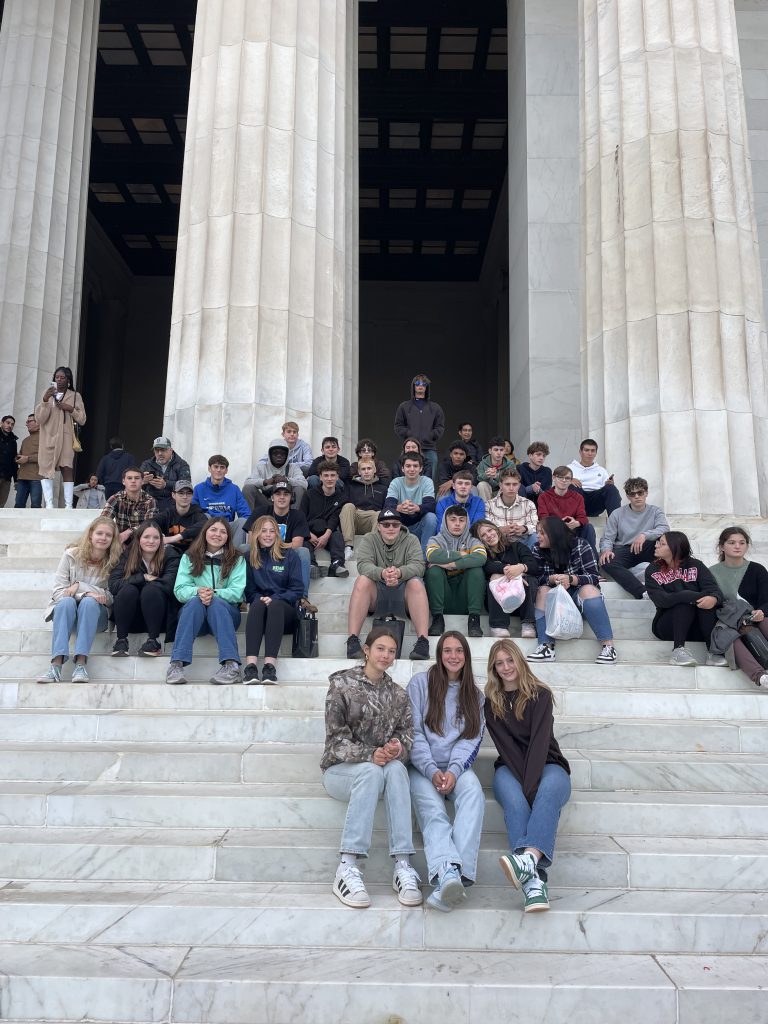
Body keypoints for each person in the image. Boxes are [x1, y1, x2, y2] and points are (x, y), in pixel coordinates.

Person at [321, 626, 422, 909]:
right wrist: (370, 755)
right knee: (370, 770)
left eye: (391, 651)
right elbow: (336, 740)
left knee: (398, 770)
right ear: (366, 650)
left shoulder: (397, 694)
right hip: (340, 772)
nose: (386, 655)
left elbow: (406, 734)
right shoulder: (342, 685)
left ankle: (403, 865)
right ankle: (347, 866)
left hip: (380, 770)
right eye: (380, 648)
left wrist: (396, 748)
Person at [484, 639, 571, 912]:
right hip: (508, 767)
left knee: (548, 792)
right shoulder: (491, 704)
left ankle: (527, 860)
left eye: (510, 660)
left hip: (549, 764)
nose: (506, 667)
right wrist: (524, 786)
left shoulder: (540, 695)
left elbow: (539, 743)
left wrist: (532, 785)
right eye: (500, 663)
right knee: (516, 801)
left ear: (519, 661)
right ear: (494, 669)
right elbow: (507, 748)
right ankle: (535, 882)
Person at [407, 631, 485, 912]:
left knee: (474, 793)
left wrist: (453, 771)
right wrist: (430, 770)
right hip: (421, 767)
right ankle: (448, 873)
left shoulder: (475, 696)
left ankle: (454, 877)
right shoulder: (419, 684)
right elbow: (413, 732)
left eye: (459, 651)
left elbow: (470, 739)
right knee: (433, 809)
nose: (453, 656)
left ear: (466, 656)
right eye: (447, 650)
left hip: (457, 767)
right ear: (439, 655)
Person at [37, 516, 122, 683]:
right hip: (67, 614)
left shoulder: (115, 561)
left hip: (96, 618)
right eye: (99, 533)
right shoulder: (71, 555)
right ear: (90, 534)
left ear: (113, 539)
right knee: (67, 601)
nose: (103, 538)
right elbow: (58, 592)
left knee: (90, 603)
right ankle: (56, 665)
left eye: (108, 535)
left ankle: (81, 664)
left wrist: (80, 586)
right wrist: (84, 593)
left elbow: (110, 597)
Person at [166, 517, 247, 685]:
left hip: (227, 615)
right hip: (197, 617)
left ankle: (231, 666)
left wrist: (213, 593)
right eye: (213, 530)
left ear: (228, 537)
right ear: (205, 533)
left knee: (216, 603)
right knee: (195, 602)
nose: (217, 534)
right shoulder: (189, 557)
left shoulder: (237, 558)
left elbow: (237, 592)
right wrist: (198, 592)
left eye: (223, 531)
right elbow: (180, 589)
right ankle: (176, 664)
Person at [529, 516, 618, 664]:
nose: (538, 536)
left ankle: (609, 647)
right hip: (554, 603)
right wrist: (551, 579)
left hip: (579, 600)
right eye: (538, 532)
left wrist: (571, 579)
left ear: (554, 533)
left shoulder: (580, 545)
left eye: (542, 533)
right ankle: (545, 646)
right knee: (542, 589)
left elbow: (594, 576)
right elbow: (534, 577)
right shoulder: (537, 549)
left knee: (589, 589)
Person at [346, 509, 430, 661]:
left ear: (400, 526)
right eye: (386, 525)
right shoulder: (369, 539)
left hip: (404, 594)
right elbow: (363, 565)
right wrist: (382, 573)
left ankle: (423, 642)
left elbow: (419, 566)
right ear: (378, 526)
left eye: (395, 524)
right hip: (377, 593)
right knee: (362, 580)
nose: (391, 528)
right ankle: (352, 641)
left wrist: (399, 572)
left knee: (416, 584)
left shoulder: (411, 539)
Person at [646, 531, 723, 667]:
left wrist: (714, 599)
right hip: (667, 626)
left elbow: (714, 591)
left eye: (661, 543)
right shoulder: (653, 569)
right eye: (658, 542)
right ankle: (678, 650)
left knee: (707, 603)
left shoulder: (696, 565)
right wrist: (687, 596)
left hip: (697, 627)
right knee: (684, 604)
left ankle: (713, 652)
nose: (656, 545)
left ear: (675, 547)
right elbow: (661, 600)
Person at [243, 516, 304, 684]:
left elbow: (297, 590)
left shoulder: (289, 556)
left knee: (275, 605)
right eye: (263, 531)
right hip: (260, 611)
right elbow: (249, 591)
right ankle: (251, 667)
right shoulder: (249, 557)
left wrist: (275, 598)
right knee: (256, 605)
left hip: (285, 612)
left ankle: (269, 667)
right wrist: (261, 599)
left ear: (277, 534)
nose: (268, 535)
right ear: (256, 534)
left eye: (272, 531)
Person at [243, 479, 317, 613]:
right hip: (262, 552)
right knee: (244, 549)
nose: (282, 497)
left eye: (286, 494)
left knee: (303, 551)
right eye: (278, 494)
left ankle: (303, 598)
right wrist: (268, 546)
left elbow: (297, 544)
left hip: (286, 556)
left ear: (291, 497)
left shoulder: (297, 515)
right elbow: (251, 539)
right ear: (272, 497)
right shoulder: (261, 511)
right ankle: (243, 599)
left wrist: (275, 546)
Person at [109, 520, 181, 657]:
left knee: (151, 590)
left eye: (156, 537)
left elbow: (171, 585)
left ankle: (153, 641)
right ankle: (121, 641)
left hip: (160, 616)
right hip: (131, 615)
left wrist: (146, 583)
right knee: (128, 590)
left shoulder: (171, 554)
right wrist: (143, 578)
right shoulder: (128, 554)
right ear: (139, 539)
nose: (151, 541)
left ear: (161, 540)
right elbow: (113, 585)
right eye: (146, 537)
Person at [708, 527, 768, 686]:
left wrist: (762, 611)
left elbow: (766, 599)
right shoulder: (712, 573)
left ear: (747, 546)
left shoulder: (757, 570)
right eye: (732, 542)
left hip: (756, 617)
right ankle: (761, 677)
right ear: (722, 546)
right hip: (729, 621)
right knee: (729, 637)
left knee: (765, 622)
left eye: (742, 543)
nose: (737, 546)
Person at [599, 477, 669, 598]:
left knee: (667, 543)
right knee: (606, 561)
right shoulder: (617, 513)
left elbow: (664, 528)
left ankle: (671, 581)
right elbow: (607, 537)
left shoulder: (656, 511)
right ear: (628, 496)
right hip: (624, 550)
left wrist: (644, 535)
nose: (637, 496)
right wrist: (606, 550)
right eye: (632, 494)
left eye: (640, 492)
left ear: (646, 493)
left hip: (647, 547)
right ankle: (642, 592)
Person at [425, 505, 487, 638]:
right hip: (443, 596)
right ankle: (437, 619)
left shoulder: (473, 540)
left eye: (461, 520)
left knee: (476, 570)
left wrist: (450, 564)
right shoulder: (436, 539)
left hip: (464, 597)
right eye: (452, 519)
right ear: (445, 521)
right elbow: (432, 555)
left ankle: (474, 620)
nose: (457, 524)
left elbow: (481, 556)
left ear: (467, 522)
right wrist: (462, 554)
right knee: (433, 570)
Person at [471, 519, 538, 638]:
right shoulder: (482, 553)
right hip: (498, 604)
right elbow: (487, 567)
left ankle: (528, 623)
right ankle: (499, 625)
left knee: (529, 579)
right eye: (483, 535)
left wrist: (521, 568)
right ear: (480, 540)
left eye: (490, 530)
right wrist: (508, 572)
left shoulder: (516, 546)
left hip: (521, 600)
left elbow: (534, 566)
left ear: (496, 529)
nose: (489, 536)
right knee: (494, 579)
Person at [34, 366, 86, 509]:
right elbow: (40, 419)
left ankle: (68, 505)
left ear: (68, 380)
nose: (59, 380)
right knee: (45, 469)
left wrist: (69, 408)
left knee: (67, 468)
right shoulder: (47, 394)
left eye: (62, 377)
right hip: (48, 438)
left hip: (66, 438)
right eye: (57, 377)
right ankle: (49, 505)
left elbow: (82, 419)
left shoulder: (75, 395)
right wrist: (45, 400)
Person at [383, 452, 437, 556]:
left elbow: (431, 505)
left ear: (421, 468)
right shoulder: (396, 482)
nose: (412, 469)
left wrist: (417, 507)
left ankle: (423, 558)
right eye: (408, 466)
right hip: (400, 526)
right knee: (385, 517)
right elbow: (387, 505)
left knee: (431, 517)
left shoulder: (427, 481)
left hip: (419, 525)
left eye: (415, 466)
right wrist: (400, 507)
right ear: (402, 468)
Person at [394, 373, 445, 482]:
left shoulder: (435, 408)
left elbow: (440, 427)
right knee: (406, 478)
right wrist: (409, 435)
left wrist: (430, 436)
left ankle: (427, 499)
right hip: (410, 449)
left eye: (423, 383)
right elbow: (398, 426)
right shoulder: (404, 406)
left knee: (428, 480)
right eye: (417, 383)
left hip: (429, 449)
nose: (420, 386)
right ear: (414, 386)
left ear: (427, 387)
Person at [537, 465, 598, 555]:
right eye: (560, 477)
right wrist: (559, 525)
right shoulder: (544, 497)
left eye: (567, 478)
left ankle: (592, 560)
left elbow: (583, 517)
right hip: (553, 531)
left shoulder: (578, 497)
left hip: (572, 530)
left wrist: (576, 523)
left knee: (588, 527)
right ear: (554, 478)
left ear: (571, 481)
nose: (564, 481)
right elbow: (543, 517)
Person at [305, 462, 349, 578]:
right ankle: (312, 566)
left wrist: (326, 535)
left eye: (332, 475)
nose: (329, 479)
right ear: (320, 477)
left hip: (328, 532)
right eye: (326, 475)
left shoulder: (342, 497)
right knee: (303, 541)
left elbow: (335, 518)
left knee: (337, 536)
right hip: (310, 533)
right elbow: (301, 516)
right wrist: (309, 535)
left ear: (337, 477)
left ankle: (336, 565)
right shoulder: (309, 494)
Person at [340, 458, 387, 562]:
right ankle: (348, 546)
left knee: (380, 514)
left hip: (373, 519)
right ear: (359, 471)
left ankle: (372, 549)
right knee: (348, 506)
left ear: (374, 470)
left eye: (369, 468)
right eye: (363, 469)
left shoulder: (382, 488)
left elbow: (386, 508)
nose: (366, 471)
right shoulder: (351, 486)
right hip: (355, 517)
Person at [243, 438, 308, 512]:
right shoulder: (261, 467)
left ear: (287, 455)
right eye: (275, 453)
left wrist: (286, 480)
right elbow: (247, 482)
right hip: (266, 504)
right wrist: (265, 482)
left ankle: (292, 519)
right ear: (269, 455)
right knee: (248, 488)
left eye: (282, 453)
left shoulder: (293, 467)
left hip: (287, 505)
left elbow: (304, 483)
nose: (279, 456)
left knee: (299, 488)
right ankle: (250, 520)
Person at [192, 455, 251, 532]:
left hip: (227, 527)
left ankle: (234, 545)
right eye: (216, 467)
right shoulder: (199, 488)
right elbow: (193, 512)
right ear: (209, 469)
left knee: (242, 521)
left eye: (222, 467)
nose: (219, 470)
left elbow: (245, 513)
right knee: (204, 516)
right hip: (208, 527)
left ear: (226, 470)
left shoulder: (234, 489)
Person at [484, 468, 538, 551]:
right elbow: (486, 528)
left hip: (522, 542)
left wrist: (524, 528)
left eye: (515, 484)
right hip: (499, 543)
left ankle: (531, 561)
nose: (511, 488)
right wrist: (501, 530)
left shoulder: (528, 504)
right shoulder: (489, 505)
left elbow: (535, 525)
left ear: (519, 486)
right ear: (500, 485)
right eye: (507, 484)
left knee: (534, 536)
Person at [103, 467, 159, 545]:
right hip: (120, 541)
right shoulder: (115, 498)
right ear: (123, 481)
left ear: (142, 481)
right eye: (129, 478)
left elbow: (149, 524)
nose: (133, 481)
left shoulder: (150, 501)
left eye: (137, 478)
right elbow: (103, 520)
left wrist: (130, 531)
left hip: (142, 542)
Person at [567, 438, 621, 517]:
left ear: (596, 453)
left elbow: (607, 492)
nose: (590, 453)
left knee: (611, 488)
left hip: (595, 502)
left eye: (593, 451)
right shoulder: (569, 468)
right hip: (577, 500)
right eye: (587, 450)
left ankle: (616, 523)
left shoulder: (602, 470)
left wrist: (608, 484)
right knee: (572, 486)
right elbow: (558, 484)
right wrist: (568, 480)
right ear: (580, 452)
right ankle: (571, 520)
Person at [139, 436, 191, 512]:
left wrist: (166, 484)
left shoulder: (182, 464)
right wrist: (142, 482)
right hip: (151, 502)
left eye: (163, 450)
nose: (160, 453)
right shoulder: (146, 464)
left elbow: (186, 484)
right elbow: (135, 485)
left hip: (173, 502)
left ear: (171, 450)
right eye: (157, 450)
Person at [155, 480, 208, 552]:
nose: (185, 497)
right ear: (173, 495)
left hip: (192, 553)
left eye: (188, 493)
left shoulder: (198, 514)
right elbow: (151, 522)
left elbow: (205, 524)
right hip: (171, 552)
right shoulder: (168, 513)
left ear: (192, 496)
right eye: (181, 493)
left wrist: (176, 537)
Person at [13, 414, 42, 509]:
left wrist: (27, 459)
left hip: (36, 478)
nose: (26, 424)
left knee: (35, 506)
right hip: (22, 478)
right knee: (18, 505)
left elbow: (46, 457)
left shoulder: (45, 439)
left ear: (37, 423)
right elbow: (21, 455)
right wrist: (18, 458)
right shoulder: (25, 440)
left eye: (29, 421)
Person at [476, 436, 514, 502]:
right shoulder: (482, 464)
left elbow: (512, 480)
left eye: (501, 450)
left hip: (502, 492)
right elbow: (477, 478)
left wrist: (497, 476)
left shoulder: (510, 464)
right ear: (490, 451)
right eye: (496, 450)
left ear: (504, 451)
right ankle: (486, 510)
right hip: (487, 493)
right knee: (482, 485)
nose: (499, 453)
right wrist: (486, 475)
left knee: (510, 486)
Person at [0, 414, 18, 507]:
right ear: (1, 423)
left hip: (7, 477)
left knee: (1, 504)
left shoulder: (13, 441)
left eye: (12, 424)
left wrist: (16, 479)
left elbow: (14, 461)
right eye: (7, 423)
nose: (9, 425)